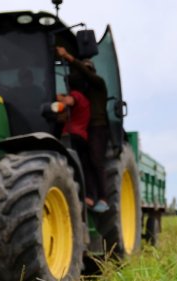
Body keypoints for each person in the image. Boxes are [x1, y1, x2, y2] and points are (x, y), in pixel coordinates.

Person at [56, 46, 109, 213]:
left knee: (95, 161)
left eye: (87, 71)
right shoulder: (82, 94)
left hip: (98, 127)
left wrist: (68, 57)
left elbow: (72, 98)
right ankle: (89, 196)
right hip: (85, 130)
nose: (84, 74)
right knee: (85, 162)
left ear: (92, 71)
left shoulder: (99, 84)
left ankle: (103, 198)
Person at [56, 75, 95, 207]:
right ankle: (88, 196)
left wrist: (57, 97)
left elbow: (69, 101)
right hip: (83, 136)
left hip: (71, 135)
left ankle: (74, 194)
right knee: (83, 166)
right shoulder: (87, 101)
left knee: (68, 166)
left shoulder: (75, 95)